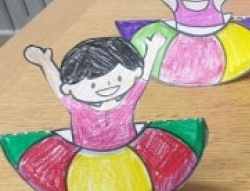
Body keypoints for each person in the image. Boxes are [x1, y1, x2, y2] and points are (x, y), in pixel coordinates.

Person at [23, 35, 166, 150]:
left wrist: (153, 50)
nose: (108, 86)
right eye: (92, 84)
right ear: (69, 88)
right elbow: (58, 86)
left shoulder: (128, 100)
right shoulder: (77, 107)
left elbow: (143, 78)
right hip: (86, 156)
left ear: (135, 72)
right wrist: (44, 61)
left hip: (127, 151)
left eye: (119, 78)